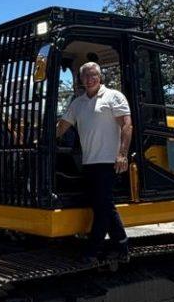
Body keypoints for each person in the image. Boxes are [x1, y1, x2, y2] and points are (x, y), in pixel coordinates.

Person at [56, 61, 133, 260]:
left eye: (93, 76)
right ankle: (122, 246)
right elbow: (63, 126)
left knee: (102, 206)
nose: (90, 79)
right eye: (86, 76)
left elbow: (127, 125)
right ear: (81, 79)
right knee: (104, 205)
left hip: (109, 161)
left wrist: (122, 154)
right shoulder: (78, 103)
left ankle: (92, 250)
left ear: (100, 77)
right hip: (89, 162)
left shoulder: (113, 96)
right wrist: (42, 140)